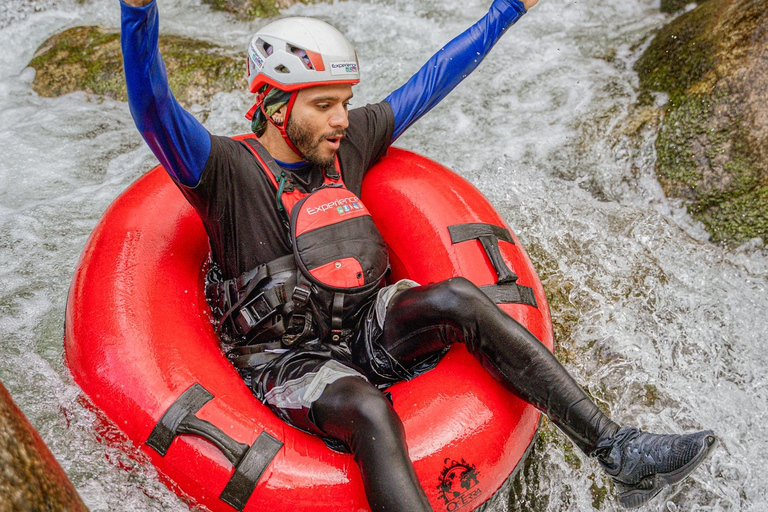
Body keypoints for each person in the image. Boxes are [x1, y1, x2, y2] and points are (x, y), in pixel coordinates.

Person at [120, 0, 716, 509]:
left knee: (457, 296)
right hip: (288, 363)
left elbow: (430, 81)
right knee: (369, 407)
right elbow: (153, 106)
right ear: (275, 107)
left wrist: (506, 9)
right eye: (323, 105)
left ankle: (620, 452)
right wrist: (139, 11)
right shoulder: (222, 171)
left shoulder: (346, 146)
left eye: (344, 102)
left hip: (363, 328)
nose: (341, 119)